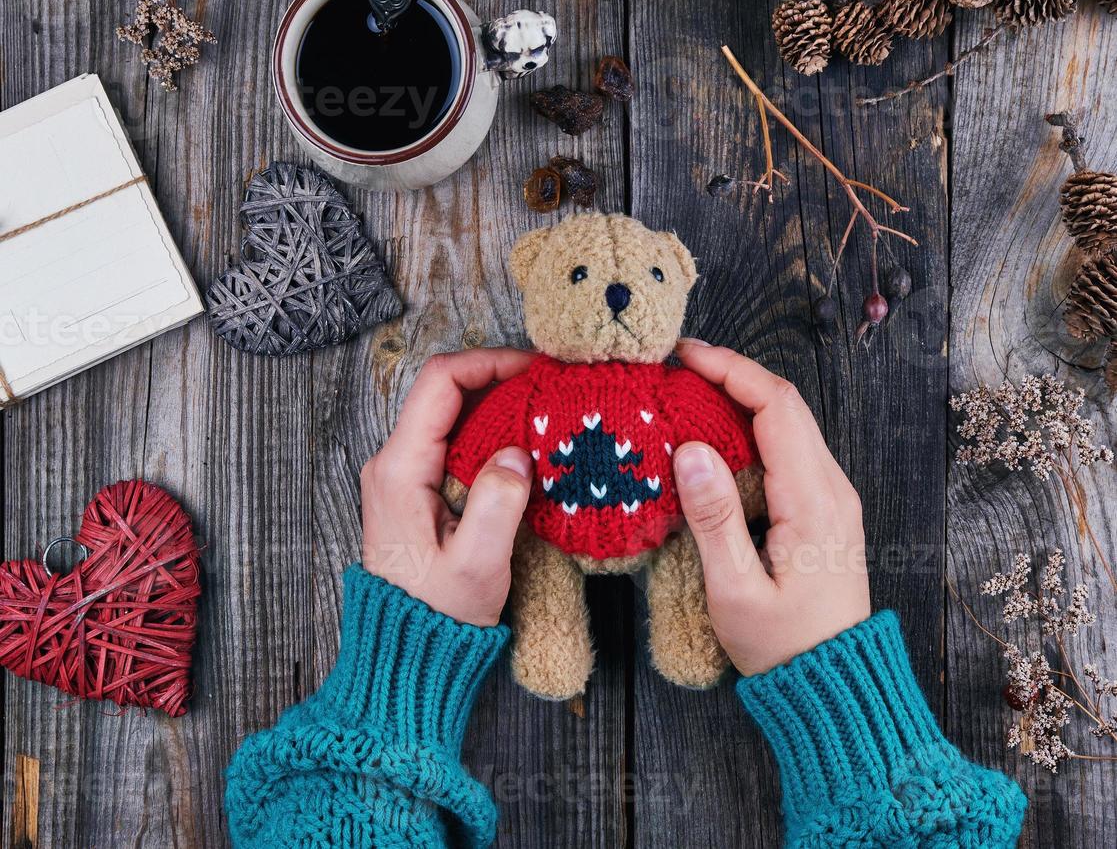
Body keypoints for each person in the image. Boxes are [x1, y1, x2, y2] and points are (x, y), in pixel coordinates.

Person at [225, 341, 1028, 847]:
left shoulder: (674, 403)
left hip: (661, 534)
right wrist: (841, 700)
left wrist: (392, 676)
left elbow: (329, 831)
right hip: (556, 540)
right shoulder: (530, 400)